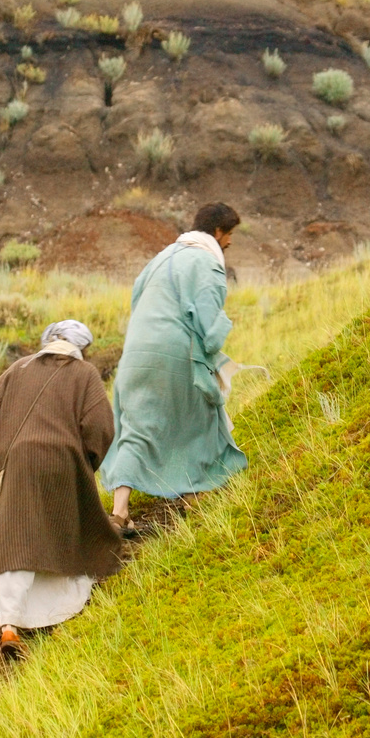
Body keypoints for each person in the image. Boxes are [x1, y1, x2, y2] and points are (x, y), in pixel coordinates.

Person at [0, 320, 123, 659]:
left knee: (15, 542)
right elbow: (101, 423)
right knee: (63, 531)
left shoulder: (18, 367)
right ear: (81, 348)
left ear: (48, 341)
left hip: (18, 462)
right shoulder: (84, 374)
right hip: (62, 459)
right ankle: (57, 611)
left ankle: (10, 627)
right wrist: (87, 460)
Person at [100, 203, 249, 529]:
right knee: (200, 416)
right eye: (231, 234)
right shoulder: (208, 262)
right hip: (175, 354)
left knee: (137, 429)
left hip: (134, 357)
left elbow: (137, 302)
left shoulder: (159, 259)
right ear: (219, 232)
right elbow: (210, 331)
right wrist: (221, 335)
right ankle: (193, 493)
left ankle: (120, 513)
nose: (231, 243)